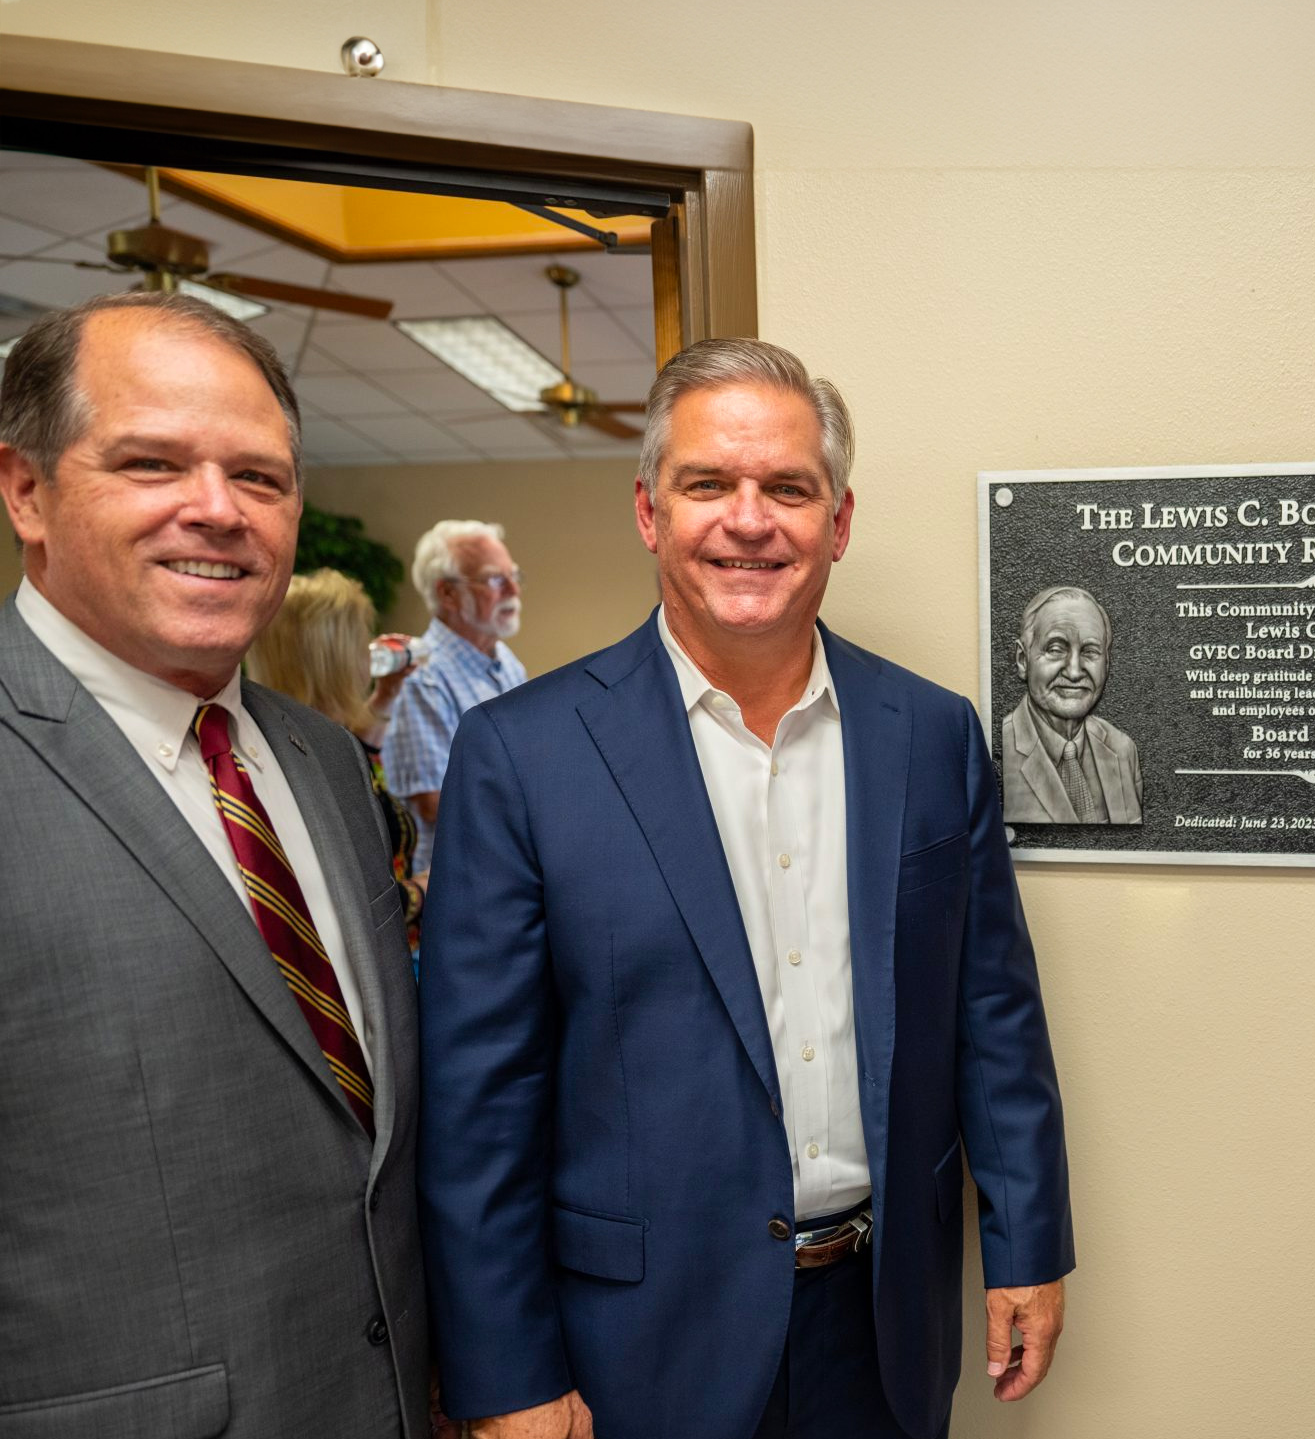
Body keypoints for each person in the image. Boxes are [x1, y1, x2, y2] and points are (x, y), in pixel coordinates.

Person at [418, 338, 1075, 1439]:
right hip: (636, 1344)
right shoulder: (521, 756)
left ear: (839, 521)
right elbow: (480, 1098)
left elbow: (991, 1015)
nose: (748, 520)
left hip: (881, 1325)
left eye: (788, 488)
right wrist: (505, 1374)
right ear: (648, 513)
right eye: (707, 485)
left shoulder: (931, 736)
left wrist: (1026, 1245)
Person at [0, 291, 429, 1434]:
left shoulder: (327, 764)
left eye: (260, 477)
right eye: (151, 463)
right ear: (25, 491)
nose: (217, 511)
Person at [248, 567, 428, 946]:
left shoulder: (294, 737)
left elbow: (363, 754)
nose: (369, 652)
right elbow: (356, 903)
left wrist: (387, 694)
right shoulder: (305, 769)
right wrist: (425, 889)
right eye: (360, 640)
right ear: (335, 658)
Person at [381, 517, 528, 869]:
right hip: (454, 878)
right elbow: (433, 801)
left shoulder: (507, 663)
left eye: (514, 575)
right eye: (495, 579)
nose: (513, 590)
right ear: (447, 593)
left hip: (507, 866)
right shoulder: (421, 677)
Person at [1000, 584, 1142, 823]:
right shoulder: (995, 751)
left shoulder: (1123, 749)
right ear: (1023, 660)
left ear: (1106, 664)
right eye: (1056, 649)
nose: (1075, 672)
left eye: (1089, 652)